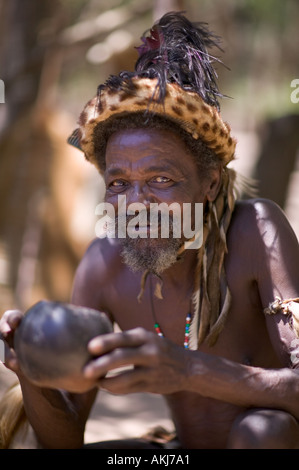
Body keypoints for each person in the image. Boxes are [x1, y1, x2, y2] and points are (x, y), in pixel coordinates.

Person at [1, 11, 299, 450]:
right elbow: (62, 442)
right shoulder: (104, 266)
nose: (135, 203)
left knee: (264, 433)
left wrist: (188, 369)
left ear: (210, 182)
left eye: (161, 180)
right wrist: (33, 374)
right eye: (118, 183)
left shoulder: (256, 233)